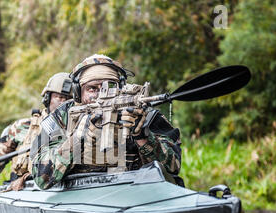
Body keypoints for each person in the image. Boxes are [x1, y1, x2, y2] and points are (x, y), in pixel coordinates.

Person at [31, 54, 182, 190]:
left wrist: (143, 136)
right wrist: (76, 140)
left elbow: (173, 168)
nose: (101, 95)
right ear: (78, 92)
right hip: (79, 196)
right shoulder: (63, 116)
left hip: (134, 194)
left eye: (109, 86)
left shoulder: (143, 115)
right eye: (92, 88)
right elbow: (40, 177)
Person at [0, 72, 73, 190]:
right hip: (22, 191)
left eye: (68, 99)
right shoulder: (22, 127)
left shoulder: (78, 129)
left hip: (59, 189)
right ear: (47, 98)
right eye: (59, 97)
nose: (63, 103)